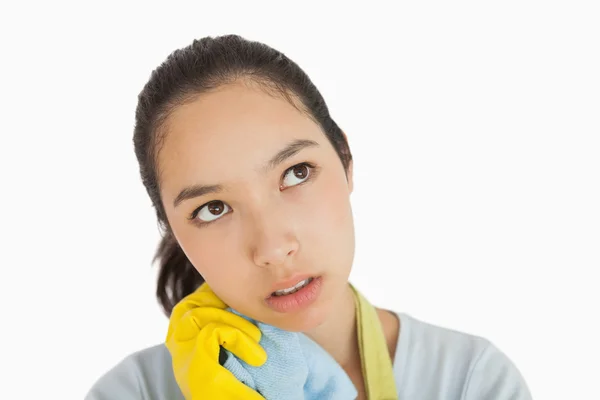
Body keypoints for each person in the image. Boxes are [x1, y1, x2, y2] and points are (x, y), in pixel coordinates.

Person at [85, 34, 532, 399]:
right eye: (212, 208)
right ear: (172, 229)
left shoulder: (470, 381)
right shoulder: (134, 392)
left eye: (296, 174)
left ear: (345, 157)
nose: (274, 248)